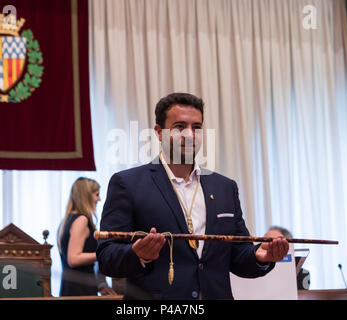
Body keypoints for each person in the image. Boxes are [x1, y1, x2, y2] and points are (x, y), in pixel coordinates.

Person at [96, 92, 289, 299]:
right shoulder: (128, 184)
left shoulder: (225, 187)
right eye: (180, 127)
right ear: (159, 132)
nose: (190, 135)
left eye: (196, 128)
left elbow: (238, 255)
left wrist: (260, 256)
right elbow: (107, 257)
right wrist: (138, 255)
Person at [58, 177, 117, 296]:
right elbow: (73, 259)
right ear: (86, 196)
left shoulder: (67, 220)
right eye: (97, 194)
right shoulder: (81, 220)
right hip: (80, 290)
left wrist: (100, 284)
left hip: (71, 287)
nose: (99, 199)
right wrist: (102, 253)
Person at [265, 226, 311, 290]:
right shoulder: (255, 270)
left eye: (272, 242)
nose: (265, 244)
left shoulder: (302, 274)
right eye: (264, 240)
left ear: (287, 246)